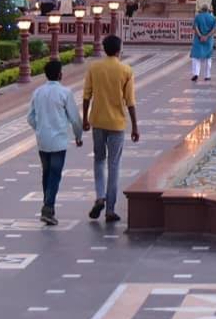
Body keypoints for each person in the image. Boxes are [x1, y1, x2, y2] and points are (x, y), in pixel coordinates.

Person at [82, 34, 139, 224]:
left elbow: (86, 96)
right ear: (119, 50)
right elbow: (130, 101)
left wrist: (85, 119)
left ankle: (100, 196)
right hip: (117, 124)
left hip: (98, 121)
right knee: (114, 165)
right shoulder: (126, 70)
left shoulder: (94, 68)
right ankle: (110, 209)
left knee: (99, 160)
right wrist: (135, 126)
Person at [26, 58, 83, 226]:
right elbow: (74, 118)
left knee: (46, 173)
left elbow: (30, 117)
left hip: (43, 140)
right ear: (60, 74)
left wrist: (39, 128)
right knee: (55, 175)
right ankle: (48, 208)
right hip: (58, 140)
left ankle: (47, 206)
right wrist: (78, 136)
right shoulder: (65, 93)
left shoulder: (38, 92)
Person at [190, 3, 216, 82]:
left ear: (202, 10)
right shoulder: (213, 18)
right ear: (208, 10)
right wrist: (207, 36)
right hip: (208, 40)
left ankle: (196, 73)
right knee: (208, 58)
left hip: (198, 40)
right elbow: (214, 29)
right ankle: (207, 75)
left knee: (196, 57)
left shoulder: (197, 17)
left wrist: (200, 36)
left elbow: (195, 27)